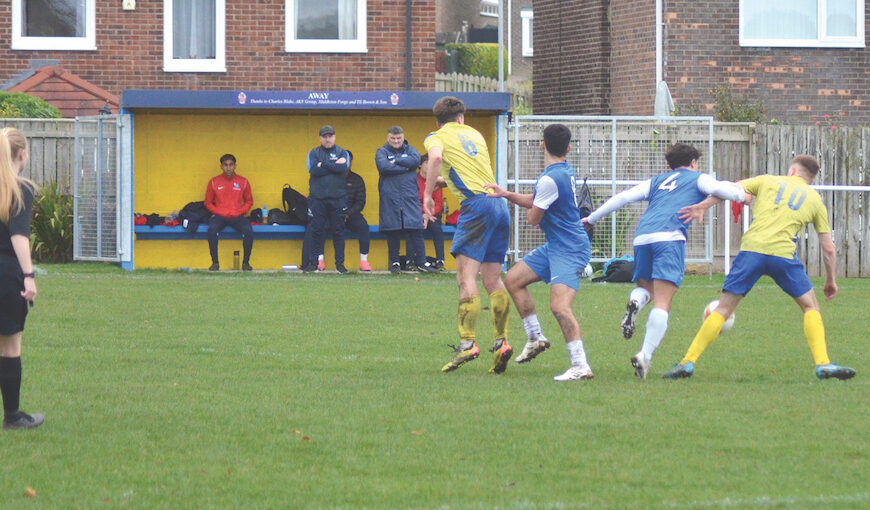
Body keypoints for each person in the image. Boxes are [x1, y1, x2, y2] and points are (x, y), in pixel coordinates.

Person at [663, 155, 856, 381]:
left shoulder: (767, 181)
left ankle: (687, 362)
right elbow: (829, 249)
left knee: (723, 309)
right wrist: (831, 280)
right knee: (810, 306)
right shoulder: (814, 199)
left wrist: (702, 206)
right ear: (809, 179)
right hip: (783, 256)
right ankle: (822, 363)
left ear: (792, 171)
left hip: (752, 252)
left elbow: (729, 190)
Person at [582, 143, 745, 379]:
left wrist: (592, 218)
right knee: (663, 302)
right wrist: (742, 194)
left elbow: (623, 197)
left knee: (644, 288)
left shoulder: (657, 181)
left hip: (643, 237)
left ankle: (635, 303)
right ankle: (644, 356)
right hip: (669, 237)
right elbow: (722, 190)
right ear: (693, 163)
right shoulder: (698, 178)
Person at [485, 124, 595, 381]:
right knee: (512, 280)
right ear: (568, 148)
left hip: (569, 249)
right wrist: (507, 194)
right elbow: (540, 201)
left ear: (542, 144)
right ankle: (535, 337)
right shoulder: (563, 171)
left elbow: (534, 217)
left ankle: (581, 365)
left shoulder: (549, 179)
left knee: (559, 306)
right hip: (558, 245)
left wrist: (530, 210)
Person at [423, 96, 512, 374]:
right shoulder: (475, 134)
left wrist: (427, 194)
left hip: (475, 207)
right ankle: (501, 342)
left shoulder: (436, 136)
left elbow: (436, 157)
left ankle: (468, 344)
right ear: (462, 118)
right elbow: (466, 168)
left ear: (438, 121)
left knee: (465, 278)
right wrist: (441, 181)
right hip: (499, 203)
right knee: (493, 278)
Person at [0, 127, 43, 429]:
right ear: (22, 155)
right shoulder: (19, 188)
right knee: (10, 347)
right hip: (6, 275)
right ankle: (13, 417)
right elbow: (19, 235)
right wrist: (29, 275)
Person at [375, 126, 437, 274]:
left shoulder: (411, 150)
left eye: (398, 138)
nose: (396, 141)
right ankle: (394, 263)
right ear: (388, 138)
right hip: (390, 197)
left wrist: (394, 162)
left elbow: (414, 161)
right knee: (393, 230)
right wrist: (404, 166)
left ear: (403, 138)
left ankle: (422, 262)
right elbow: (383, 167)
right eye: (393, 138)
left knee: (416, 229)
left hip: (409, 196)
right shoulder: (381, 152)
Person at [305, 125, 350, 274]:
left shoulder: (342, 152)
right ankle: (312, 263)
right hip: (317, 199)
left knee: (338, 232)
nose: (327, 139)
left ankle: (340, 265)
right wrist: (333, 165)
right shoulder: (313, 153)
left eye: (330, 136)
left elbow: (343, 168)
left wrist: (323, 165)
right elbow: (314, 170)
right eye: (324, 136)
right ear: (320, 138)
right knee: (316, 231)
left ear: (334, 137)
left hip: (338, 199)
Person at [204, 153, 254, 271]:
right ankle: (215, 263)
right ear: (221, 166)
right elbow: (208, 202)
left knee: (248, 231)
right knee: (211, 230)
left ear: (235, 166)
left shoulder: (243, 181)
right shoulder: (214, 182)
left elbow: (249, 201)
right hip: (220, 216)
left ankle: (246, 263)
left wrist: (240, 211)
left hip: (237, 216)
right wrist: (218, 211)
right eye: (225, 165)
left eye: (231, 165)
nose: (228, 168)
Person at [412, 154, 446, 270]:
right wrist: (423, 214)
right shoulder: (413, 180)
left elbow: (438, 203)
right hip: (417, 214)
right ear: (420, 165)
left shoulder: (437, 180)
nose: (429, 167)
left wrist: (428, 215)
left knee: (437, 229)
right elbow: (413, 201)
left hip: (432, 215)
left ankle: (440, 260)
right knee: (415, 228)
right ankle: (413, 260)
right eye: (427, 163)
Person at [343, 151, 372, 272]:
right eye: (344, 160)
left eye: (349, 160)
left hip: (351, 215)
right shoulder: (332, 178)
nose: (346, 163)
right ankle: (320, 260)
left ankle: (364, 261)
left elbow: (361, 202)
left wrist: (348, 213)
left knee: (364, 227)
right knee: (320, 225)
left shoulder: (357, 179)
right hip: (334, 213)